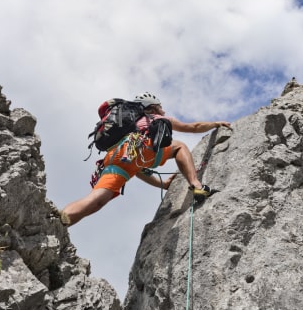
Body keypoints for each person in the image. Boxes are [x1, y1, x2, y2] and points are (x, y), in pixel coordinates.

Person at [60, 92, 231, 226]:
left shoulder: (130, 127)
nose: (163, 110)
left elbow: (136, 168)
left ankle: (61, 219)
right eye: (160, 106)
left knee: (96, 200)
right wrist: (215, 124)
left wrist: (162, 184)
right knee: (179, 146)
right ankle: (197, 185)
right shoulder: (156, 119)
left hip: (116, 157)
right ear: (153, 108)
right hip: (141, 147)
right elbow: (193, 127)